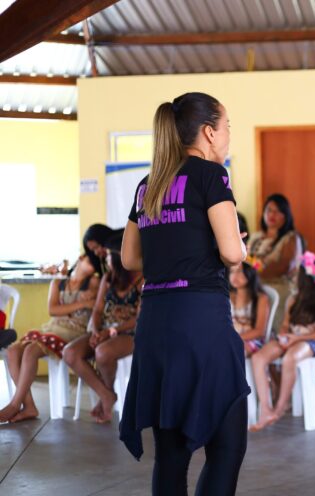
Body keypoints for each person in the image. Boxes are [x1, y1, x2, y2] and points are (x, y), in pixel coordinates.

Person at [119, 92, 248, 495]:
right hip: (201, 321)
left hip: (155, 324)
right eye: (227, 127)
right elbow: (230, 252)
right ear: (209, 132)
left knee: (171, 456)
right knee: (226, 447)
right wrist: (239, 245)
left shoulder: (149, 184)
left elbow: (129, 258)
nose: (228, 136)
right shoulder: (212, 176)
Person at [0, 255, 99, 422]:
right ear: (81, 258)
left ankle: (15, 405)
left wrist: (66, 308)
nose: (91, 269)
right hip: (52, 327)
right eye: (90, 263)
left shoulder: (93, 283)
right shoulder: (58, 282)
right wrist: (80, 304)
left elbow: (90, 306)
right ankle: (29, 406)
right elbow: (53, 310)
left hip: (75, 332)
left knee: (31, 350)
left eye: (94, 267)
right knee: (12, 351)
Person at [249, 252, 315, 431]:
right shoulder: (293, 300)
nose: (293, 277)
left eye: (296, 275)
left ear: (306, 279)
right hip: (291, 338)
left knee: (290, 358)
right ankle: (266, 408)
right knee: (258, 358)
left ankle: (280, 407)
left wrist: (297, 338)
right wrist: (284, 336)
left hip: (312, 342)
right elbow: (285, 325)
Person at [63, 235, 142, 424]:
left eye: (108, 256)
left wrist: (111, 332)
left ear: (118, 257)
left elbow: (140, 318)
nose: (105, 260)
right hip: (104, 331)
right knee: (70, 353)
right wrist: (97, 330)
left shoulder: (142, 280)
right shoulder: (108, 278)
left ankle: (105, 397)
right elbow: (98, 310)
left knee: (103, 352)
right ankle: (107, 395)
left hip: (131, 332)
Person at [247, 193, 301, 332]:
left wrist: (253, 267)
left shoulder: (291, 238)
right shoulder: (256, 237)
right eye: (269, 210)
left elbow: (283, 266)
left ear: (286, 215)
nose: (272, 215)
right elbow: (243, 261)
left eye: (277, 211)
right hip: (254, 288)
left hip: (279, 289)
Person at [229, 262, 270, 356]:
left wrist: (235, 338)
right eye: (232, 271)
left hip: (252, 340)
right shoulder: (228, 295)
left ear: (250, 272)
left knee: (234, 350)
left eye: (239, 271)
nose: (234, 276)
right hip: (231, 339)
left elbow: (260, 331)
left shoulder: (261, 298)